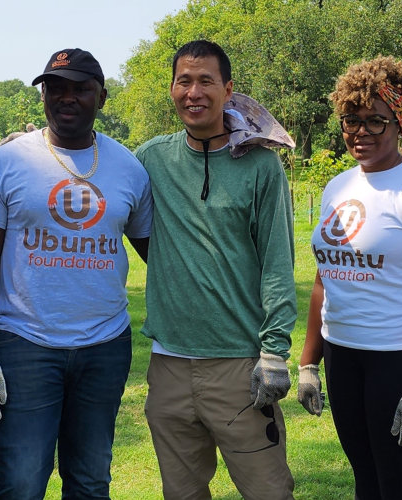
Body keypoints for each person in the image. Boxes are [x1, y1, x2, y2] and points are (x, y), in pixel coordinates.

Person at [0, 47, 152, 499]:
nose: (66, 98)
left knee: (90, 481)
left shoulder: (129, 168)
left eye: (80, 89)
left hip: (105, 345)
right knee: (20, 482)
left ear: (102, 97)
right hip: (26, 343)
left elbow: (158, 254)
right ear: (43, 94)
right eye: (55, 88)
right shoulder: (6, 162)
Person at [132, 39, 298, 500]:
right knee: (182, 494)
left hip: (240, 365)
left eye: (206, 81)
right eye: (184, 81)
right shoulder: (151, 159)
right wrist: (37, 151)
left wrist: (274, 352)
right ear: (171, 89)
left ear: (227, 90)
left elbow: (278, 265)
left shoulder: (262, 165)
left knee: (269, 491)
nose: (194, 92)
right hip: (169, 365)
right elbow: (98, 184)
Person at [293, 56, 402, 499]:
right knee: (366, 481)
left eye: (375, 122)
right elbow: (323, 280)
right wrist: (309, 362)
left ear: (399, 122)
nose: (361, 132)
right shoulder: (339, 186)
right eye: (352, 120)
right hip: (343, 355)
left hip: (400, 357)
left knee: (401, 486)